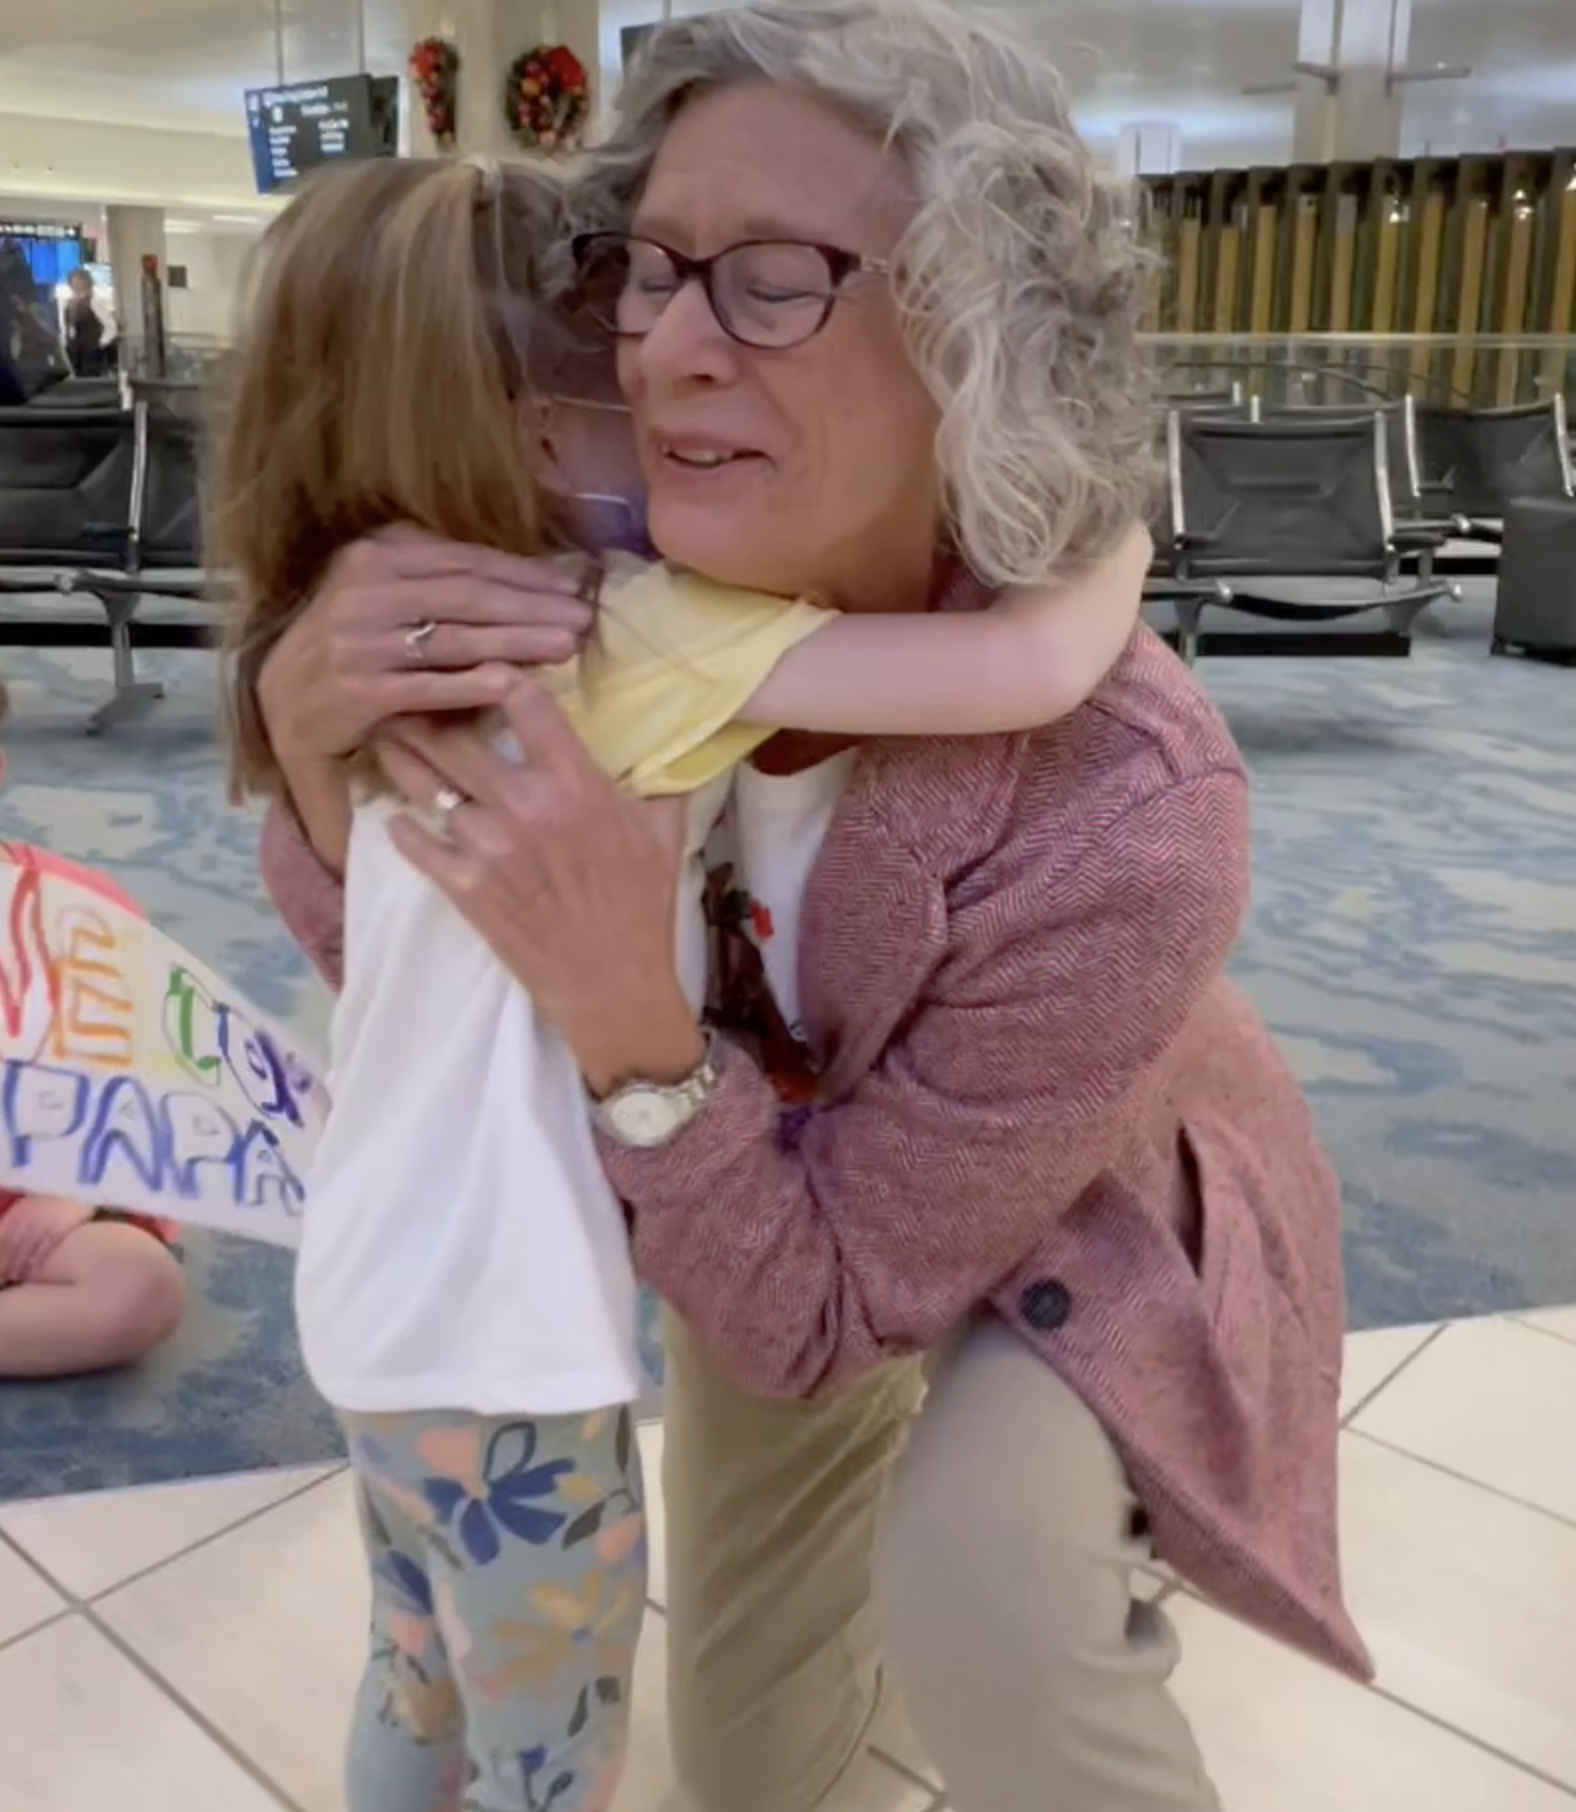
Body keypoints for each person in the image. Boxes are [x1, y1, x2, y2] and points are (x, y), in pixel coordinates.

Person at [249, 3, 1369, 1809]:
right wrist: (318, 770)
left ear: (977, 344)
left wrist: (630, 1022)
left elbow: (816, 1293)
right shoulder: (595, 568)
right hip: (756, 1186)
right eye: (658, 267)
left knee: (990, 1588)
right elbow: (431, 988)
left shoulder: (1123, 806)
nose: (672, 348)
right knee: (761, 1770)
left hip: (1081, 1204)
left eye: (774, 278)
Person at [0, 681, 186, 1378]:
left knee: (139, 1289)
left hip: (34, 1208)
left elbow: (158, 1080)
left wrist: (74, 1192)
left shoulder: (79, 913)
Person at [62, 268, 109, 377]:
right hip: (74, 353)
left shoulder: (95, 302)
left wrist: (100, 344)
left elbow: (111, 326)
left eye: (79, 282)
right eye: (73, 283)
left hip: (91, 354)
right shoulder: (69, 304)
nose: (76, 286)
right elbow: (68, 328)